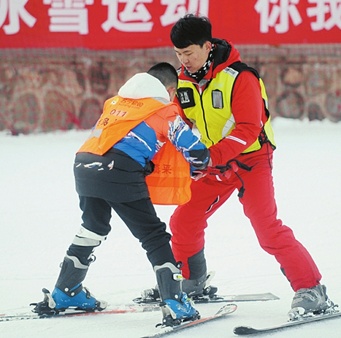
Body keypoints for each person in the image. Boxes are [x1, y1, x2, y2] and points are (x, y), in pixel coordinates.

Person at [145, 14, 334, 320]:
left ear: (207, 46)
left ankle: (311, 290)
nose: (184, 61)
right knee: (184, 219)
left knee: (267, 229)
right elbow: (180, 124)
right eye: (178, 55)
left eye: (189, 53)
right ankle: (192, 282)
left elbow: (247, 130)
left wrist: (210, 156)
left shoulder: (240, 77)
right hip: (215, 163)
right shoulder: (182, 82)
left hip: (251, 160)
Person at [33, 62, 209, 326]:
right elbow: (196, 150)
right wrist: (198, 168)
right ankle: (175, 303)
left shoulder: (116, 102)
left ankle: (65, 292)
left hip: (83, 164)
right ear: (170, 91)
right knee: (153, 235)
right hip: (118, 169)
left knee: (93, 227)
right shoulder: (164, 110)